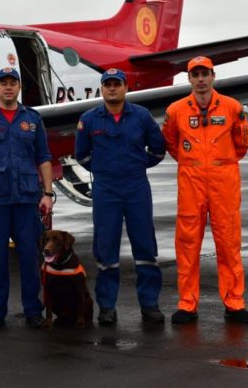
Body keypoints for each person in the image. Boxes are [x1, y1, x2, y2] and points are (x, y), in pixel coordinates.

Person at [162, 56, 248, 325]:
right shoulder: (176, 110)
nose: (201, 79)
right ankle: (187, 303)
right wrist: (193, 164)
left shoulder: (232, 107)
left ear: (213, 76)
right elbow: (171, 143)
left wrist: (219, 163)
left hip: (224, 181)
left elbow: (242, 144)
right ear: (189, 79)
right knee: (187, 244)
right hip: (191, 182)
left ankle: (234, 303)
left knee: (229, 243)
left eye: (205, 74)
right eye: (196, 74)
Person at [0, 67, 54, 330]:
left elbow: (44, 158)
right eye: (3, 83)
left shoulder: (33, 119)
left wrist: (48, 194)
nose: (8, 87)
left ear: (19, 87)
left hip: (26, 199)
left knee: (29, 257)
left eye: (12, 83)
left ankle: (33, 311)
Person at [74, 68, 167, 325]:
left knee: (145, 245)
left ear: (126, 87)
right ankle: (107, 307)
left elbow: (158, 149)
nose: (112, 88)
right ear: (102, 89)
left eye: (117, 84)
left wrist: (138, 165)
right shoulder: (89, 119)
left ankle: (149, 304)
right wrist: (104, 169)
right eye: (108, 84)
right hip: (106, 189)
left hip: (136, 186)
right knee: (105, 247)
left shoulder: (141, 116)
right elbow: (81, 154)